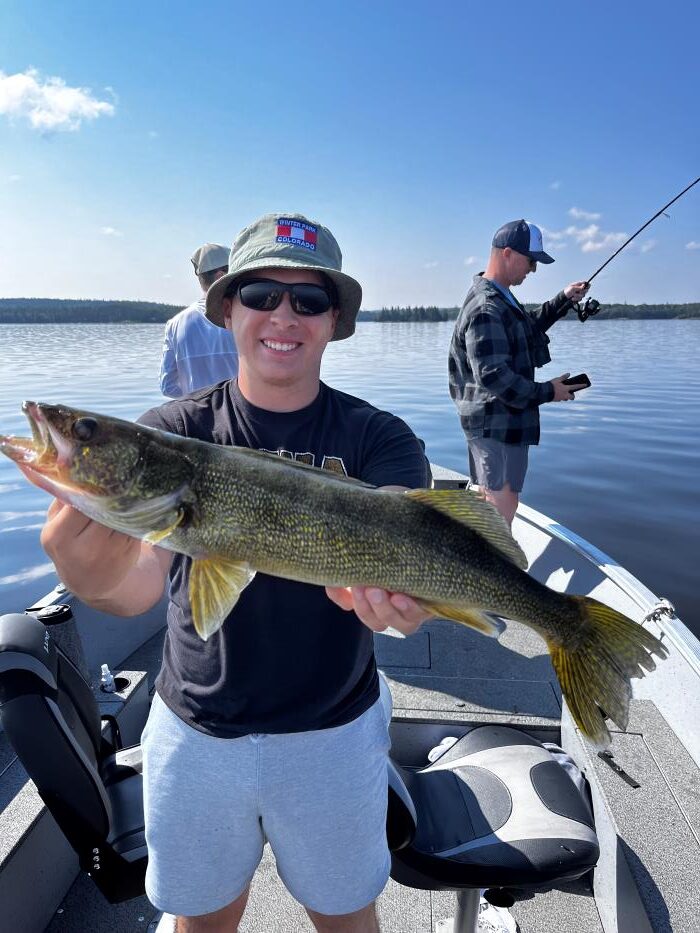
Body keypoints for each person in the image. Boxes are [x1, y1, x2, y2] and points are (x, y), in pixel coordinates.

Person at [37, 212, 433, 933]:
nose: (283, 315)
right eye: (260, 295)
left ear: (334, 318)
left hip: (335, 732)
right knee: (202, 921)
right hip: (197, 733)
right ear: (226, 308)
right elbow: (136, 585)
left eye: (308, 300)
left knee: (347, 917)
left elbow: (417, 538)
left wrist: (415, 599)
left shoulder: (379, 437)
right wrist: (85, 568)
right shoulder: (175, 433)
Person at [448, 219, 590, 526]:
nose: (533, 270)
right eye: (531, 261)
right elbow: (494, 376)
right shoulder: (486, 307)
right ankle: (493, 569)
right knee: (501, 504)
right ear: (508, 253)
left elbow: (526, 328)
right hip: (496, 425)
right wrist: (549, 391)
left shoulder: (501, 297)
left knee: (501, 500)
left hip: (505, 422)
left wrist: (563, 299)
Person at [159, 242, 239, 397]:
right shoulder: (244, 318)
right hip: (240, 416)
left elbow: (167, 386)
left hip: (195, 416)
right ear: (221, 276)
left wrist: (197, 400)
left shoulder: (174, 324)